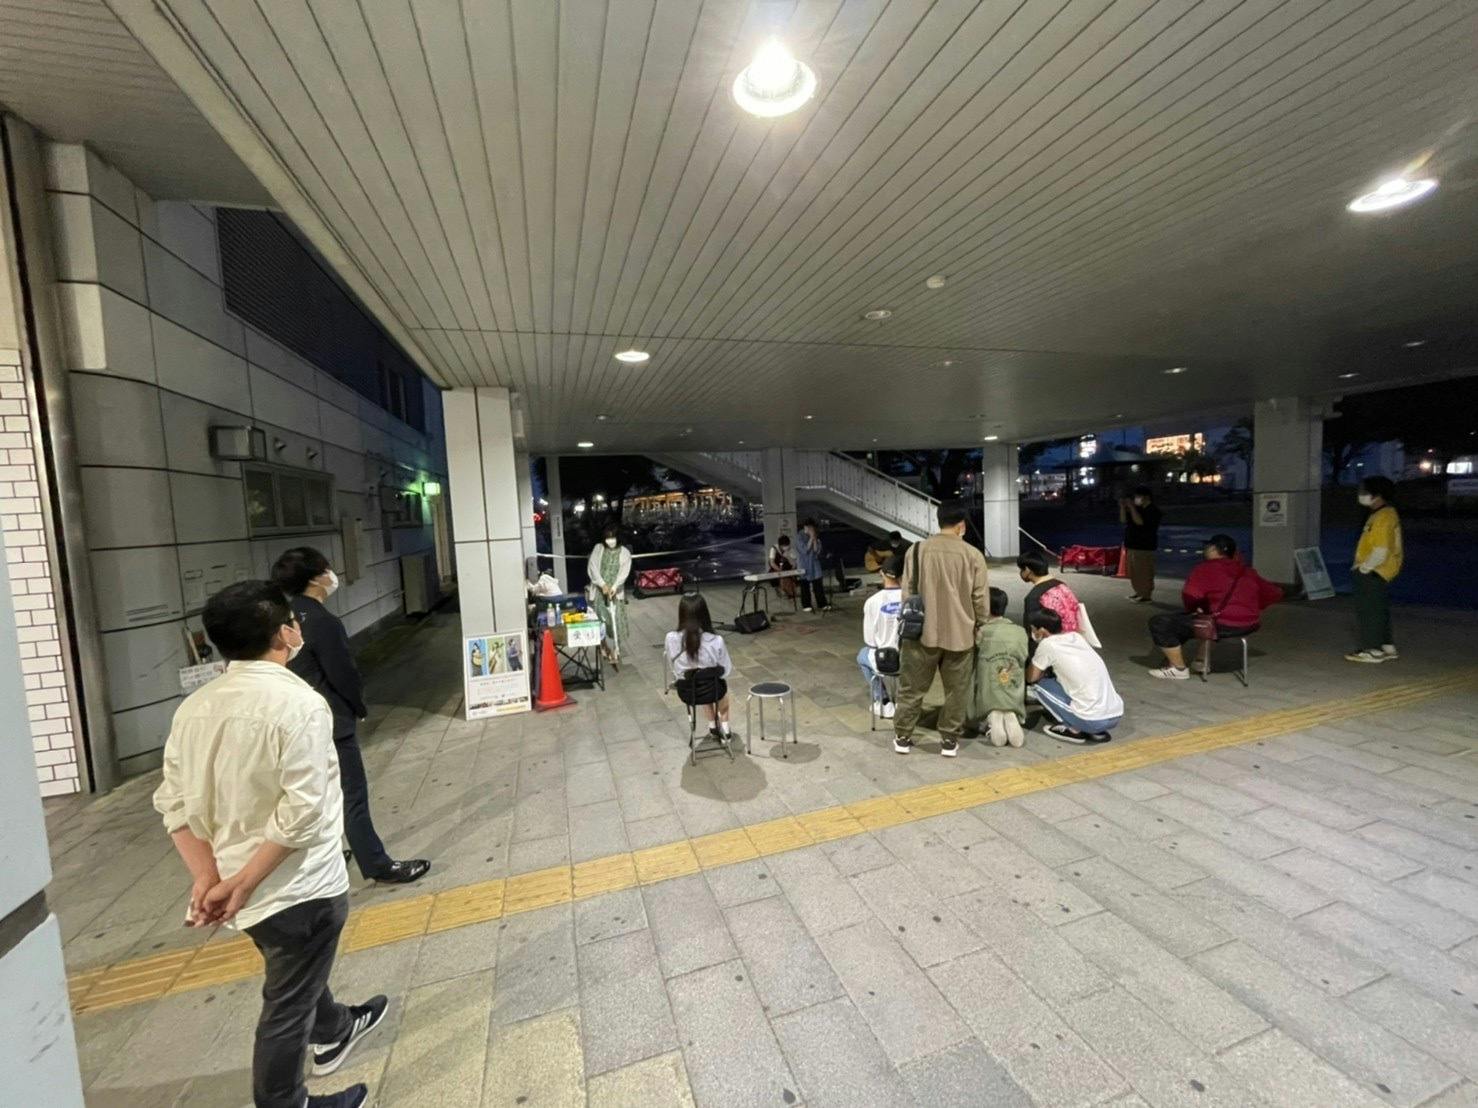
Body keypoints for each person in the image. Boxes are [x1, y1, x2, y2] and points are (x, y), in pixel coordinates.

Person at [153, 581, 384, 1108]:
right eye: (293, 622)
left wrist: (210, 876)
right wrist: (242, 882)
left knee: (295, 968)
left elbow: (172, 803)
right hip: (299, 885)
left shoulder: (194, 709)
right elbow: (302, 813)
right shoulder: (299, 704)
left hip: (242, 883)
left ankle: (336, 1026)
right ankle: (284, 1100)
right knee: (287, 1002)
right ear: (285, 633)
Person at [272, 548, 430, 887]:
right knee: (351, 794)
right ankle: (377, 864)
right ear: (316, 578)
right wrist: (357, 706)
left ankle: (325, 852)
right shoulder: (322, 621)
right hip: (329, 720)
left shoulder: (284, 618)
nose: (332, 574)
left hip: (293, 723)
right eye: (327, 568)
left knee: (314, 794)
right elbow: (343, 673)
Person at [894, 502, 989, 757]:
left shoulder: (916, 550)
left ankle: (903, 736)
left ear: (938, 521)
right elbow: (980, 598)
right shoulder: (973, 555)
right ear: (961, 525)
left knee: (912, 688)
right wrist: (980, 623)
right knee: (956, 691)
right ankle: (948, 740)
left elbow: (907, 593)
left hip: (921, 633)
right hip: (961, 635)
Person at [1146, 534, 1283, 679]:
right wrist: (1253, 607)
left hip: (1222, 624)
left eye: (1207, 547)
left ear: (1213, 549)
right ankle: (1201, 661)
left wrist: (1195, 609)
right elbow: (1276, 593)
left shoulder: (1205, 568)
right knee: (1209, 617)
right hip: (1250, 624)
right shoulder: (1247, 571)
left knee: (1161, 623)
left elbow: (1190, 596)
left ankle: (1178, 668)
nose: (1205, 549)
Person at [1026, 609, 1124, 743]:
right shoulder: (1076, 637)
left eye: (1033, 629)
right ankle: (1088, 725)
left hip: (1092, 721)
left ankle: (1073, 729)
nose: (1033, 633)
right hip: (1115, 715)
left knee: (1039, 686)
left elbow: (1031, 677)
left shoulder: (1048, 644)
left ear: (1042, 630)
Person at [1346, 475, 1403, 664]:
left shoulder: (1382, 517)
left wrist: (1365, 568)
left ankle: (1372, 649)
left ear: (1377, 495)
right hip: (1380, 570)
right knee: (1379, 609)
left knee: (1368, 611)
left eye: (1365, 491)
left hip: (1374, 571)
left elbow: (1381, 549)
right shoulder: (1385, 514)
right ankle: (1387, 646)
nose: (1361, 494)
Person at [665, 593, 735, 738]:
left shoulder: (671, 638)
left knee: (698, 681)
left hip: (687, 693)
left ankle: (712, 726)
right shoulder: (716, 640)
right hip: (713, 690)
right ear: (705, 614)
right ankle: (726, 730)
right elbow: (726, 670)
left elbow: (674, 668)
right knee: (715, 685)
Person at [973, 587, 1028, 748]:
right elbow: (1023, 657)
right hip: (1012, 688)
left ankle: (993, 716)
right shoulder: (1020, 632)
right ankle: (1010, 713)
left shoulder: (981, 632)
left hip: (988, 688)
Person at [1017, 549, 1083, 665]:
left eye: (1021, 569)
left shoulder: (1034, 597)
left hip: (1055, 654)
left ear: (1027, 570)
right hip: (1075, 643)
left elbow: (1034, 635)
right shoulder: (1061, 585)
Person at [859, 554, 903, 717]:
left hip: (883, 660)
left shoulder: (872, 601)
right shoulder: (913, 599)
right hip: (910, 661)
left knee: (862, 655)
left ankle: (883, 700)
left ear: (881, 573)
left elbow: (869, 640)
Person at [587, 523, 632, 669]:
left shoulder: (625, 553)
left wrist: (614, 587)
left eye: (612, 538)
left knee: (615, 621)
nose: (610, 541)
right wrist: (602, 585)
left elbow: (623, 573)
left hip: (615, 592)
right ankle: (603, 646)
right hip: (600, 592)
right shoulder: (598, 548)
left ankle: (615, 649)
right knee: (600, 620)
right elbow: (593, 567)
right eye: (607, 538)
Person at [1119, 485, 1162, 602]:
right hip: (1132, 545)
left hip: (1144, 546)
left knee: (1144, 572)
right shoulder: (1137, 509)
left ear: (1146, 497)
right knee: (1134, 572)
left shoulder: (1153, 510)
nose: (1136, 499)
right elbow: (1123, 520)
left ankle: (1146, 595)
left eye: (1137, 496)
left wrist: (1132, 507)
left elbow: (1140, 522)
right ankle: (1138, 592)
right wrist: (1123, 507)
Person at [796, 518, 831, 612]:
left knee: (818, 583)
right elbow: (805, 550)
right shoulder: (799, 536)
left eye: (813, 528)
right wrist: (811, 538)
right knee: (805, 585)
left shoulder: (815, 535)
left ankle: (822, 603)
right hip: (804, 563)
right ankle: (806, 604)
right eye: (810, 528)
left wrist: (814, 538)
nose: (812, 530)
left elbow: (816, 550)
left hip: (814, 562)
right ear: (806, 527)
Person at [767, 533, 798, 600]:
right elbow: (772, 563)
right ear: (780, 545)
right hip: (776, 568)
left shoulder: (790, 549)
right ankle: (780, 590)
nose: (786, 547)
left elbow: (794, 563)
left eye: (787, 545)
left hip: (787, 568)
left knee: (790, 576)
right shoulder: (774, 549)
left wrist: (789, 558)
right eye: (784, 546)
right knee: (778, 576)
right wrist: (780, 570)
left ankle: (791, 592)